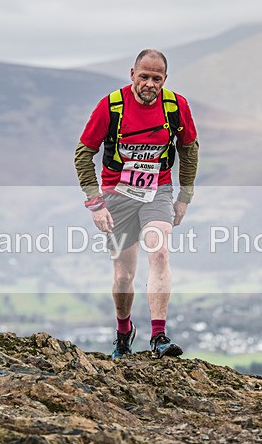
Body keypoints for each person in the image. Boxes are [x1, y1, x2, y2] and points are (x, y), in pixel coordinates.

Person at [75, 49, 199, 360]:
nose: (149, 84)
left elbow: (190, 150)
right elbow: (83, 154)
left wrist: (184, 197)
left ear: (165, 79)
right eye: (144, 77)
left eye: (156, 79)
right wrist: (95, 203)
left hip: (157, 190)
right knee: (123, 275)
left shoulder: (176, 106)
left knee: (158, 251)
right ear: (132, 74)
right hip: (117, 195)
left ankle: (158, 336)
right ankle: (123, 332)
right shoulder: (111, 106)